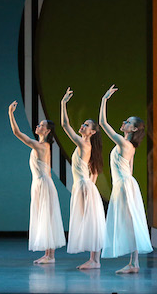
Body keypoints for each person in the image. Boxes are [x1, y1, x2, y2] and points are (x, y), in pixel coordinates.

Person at [99, 85, 152, 274]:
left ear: (134, 128)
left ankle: (134, 263)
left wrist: (104, 100)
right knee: (129, 222)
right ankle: (134, 262)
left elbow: (103, 124)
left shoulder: (124, 143)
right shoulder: (130, 146)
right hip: (125, 184)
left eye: (128, 122)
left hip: (124, 185)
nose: (124, 122)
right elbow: (130, 168)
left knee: (130, 222)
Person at [8, 100, 66, 264]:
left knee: (47, 216)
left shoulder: (42, 146)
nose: (38, 126)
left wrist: (11, 114)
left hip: (43, 185)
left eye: (41, 126)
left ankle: (51, 255)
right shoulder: (41, 145)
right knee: (43, 216)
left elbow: (18, 133)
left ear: (47, 131)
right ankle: (48, 254)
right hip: (39, 184)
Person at [59, 87, 106, 269]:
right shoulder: (89, 148)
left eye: (86, 125)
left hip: (83, 187)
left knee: (91, 221)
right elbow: (93, 172)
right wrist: (89, 188)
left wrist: (63, 103)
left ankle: (95, 261)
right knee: (90, 220)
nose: (83, 126)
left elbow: (64, 125)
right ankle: (94, 259)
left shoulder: (83, 144)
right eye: (84, 124)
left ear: (92, 132)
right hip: (84, 186)